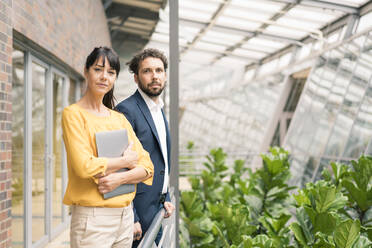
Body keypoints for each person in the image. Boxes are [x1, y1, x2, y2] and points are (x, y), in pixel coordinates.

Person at [61, 46, 154, 248]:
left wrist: (120, 177)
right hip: (93, 220)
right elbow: (84, 166)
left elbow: (147, 167)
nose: (104, 77)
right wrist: (125, 162)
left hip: (125, 216)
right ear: (86, 71)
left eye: (111, 72)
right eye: (98, 69)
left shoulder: (119, 119)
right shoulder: (73, 114)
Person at [115, 48, 175, 246]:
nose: (154, 76)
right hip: (137, 215)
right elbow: (119, 166)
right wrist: (132, 217)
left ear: (165, 75)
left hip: (156, 208)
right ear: (136, 78)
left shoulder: (159, 109)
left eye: (159, 70)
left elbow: (161, 157)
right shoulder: (126, 110)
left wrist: (164, 196)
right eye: (147, 71)